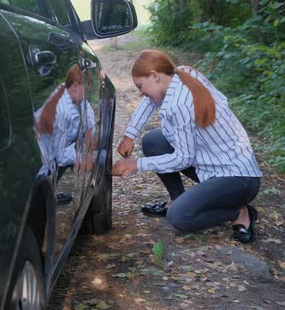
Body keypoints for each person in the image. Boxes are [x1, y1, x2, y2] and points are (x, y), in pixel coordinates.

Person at [112, 50, 262, 243]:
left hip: (239, 179)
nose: (141, 93)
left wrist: (136, 164)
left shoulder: (179, 105)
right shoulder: (181, 73)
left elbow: (183, 159)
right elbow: (150, 100)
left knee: (180, 217)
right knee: (153, 140)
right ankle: (177, 198)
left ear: (155, 76)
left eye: (141, 86)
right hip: (211, 165)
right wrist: (130, 135)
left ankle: (239, 212)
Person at [35, 64, 95, 204]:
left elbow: (86, 107)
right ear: (75, 86)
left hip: (55, 147)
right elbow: (60, 156)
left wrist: (91, 130)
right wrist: (85, 159)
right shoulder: (62, 112)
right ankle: (45, 197)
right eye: (85, 91)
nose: (86, 96)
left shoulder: (66, 89)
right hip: (42, 160)